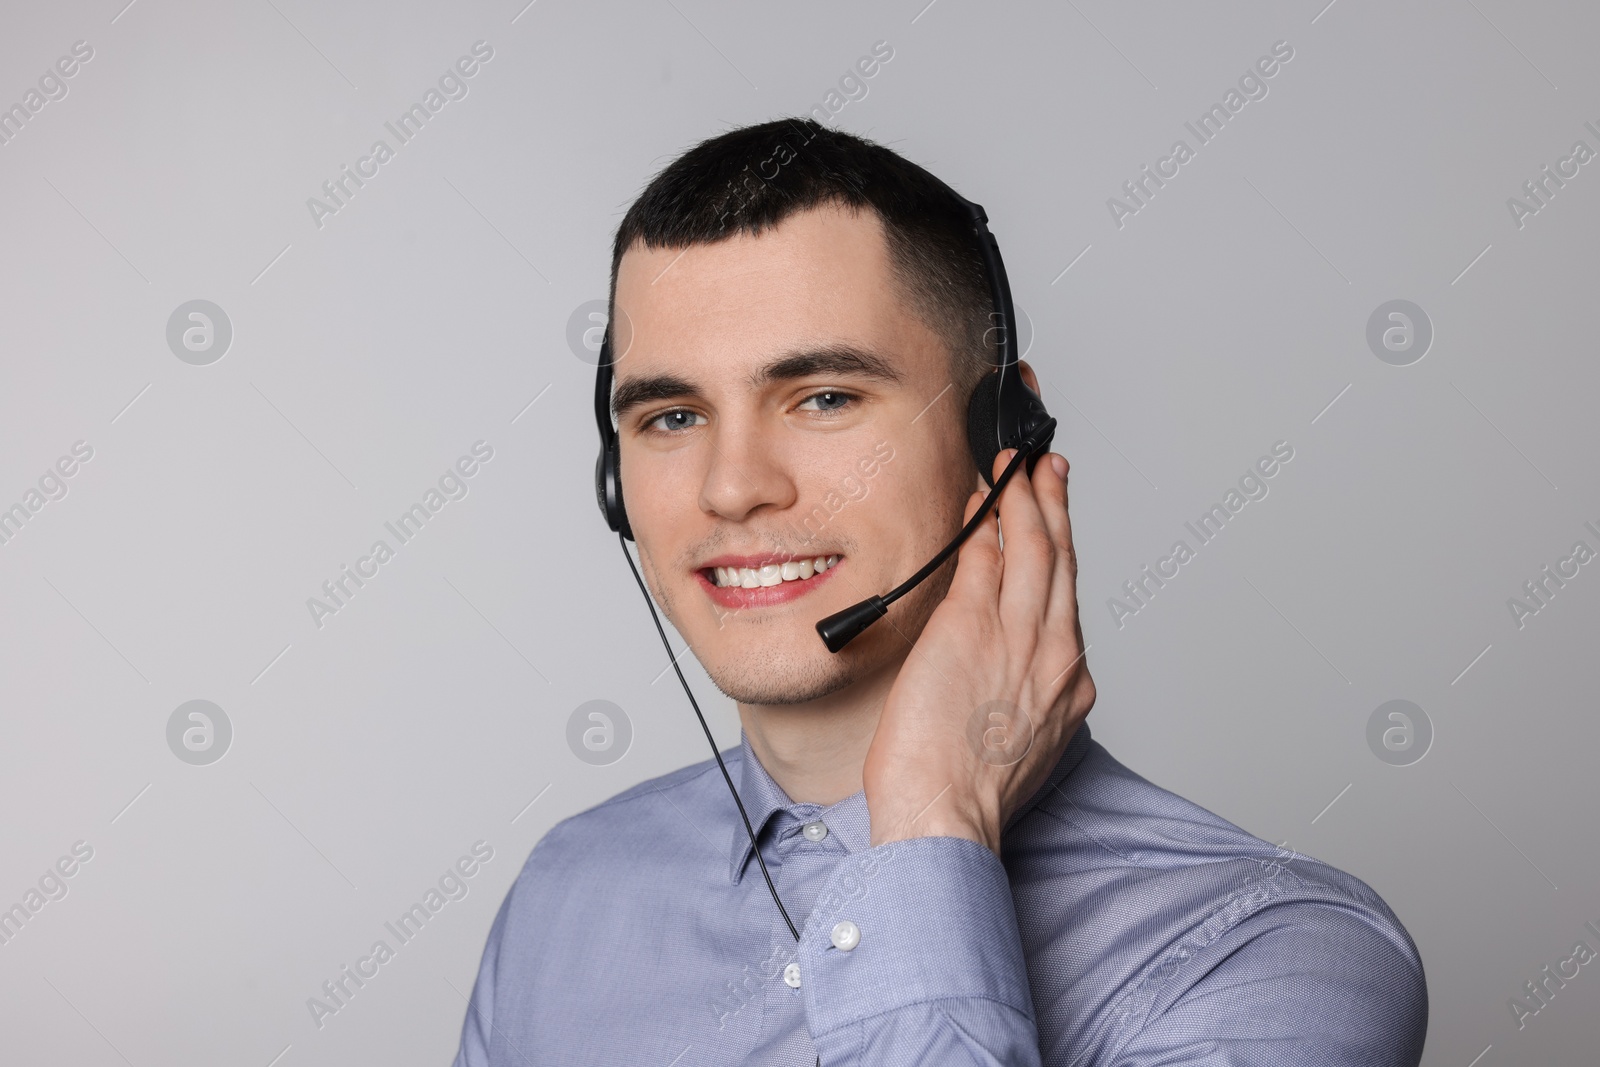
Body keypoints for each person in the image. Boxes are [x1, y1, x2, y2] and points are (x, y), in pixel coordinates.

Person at [452, 118, 1428, 1066]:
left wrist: (927, 830)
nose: (732, 485)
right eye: (671, 415)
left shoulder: (1268, 952)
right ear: (615, 480)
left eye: (823, 397)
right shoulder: (566, 893)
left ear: (999, 436)